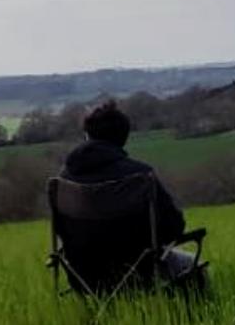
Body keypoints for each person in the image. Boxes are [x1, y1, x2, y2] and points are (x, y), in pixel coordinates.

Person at [58, 100, 198, 280]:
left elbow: (62, 231)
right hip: (142, 272)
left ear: (87, 135)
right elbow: (174, 226)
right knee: (191, 265)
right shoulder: (140, 175)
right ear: (123, 139)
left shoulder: (63, 179)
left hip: (84, 276)